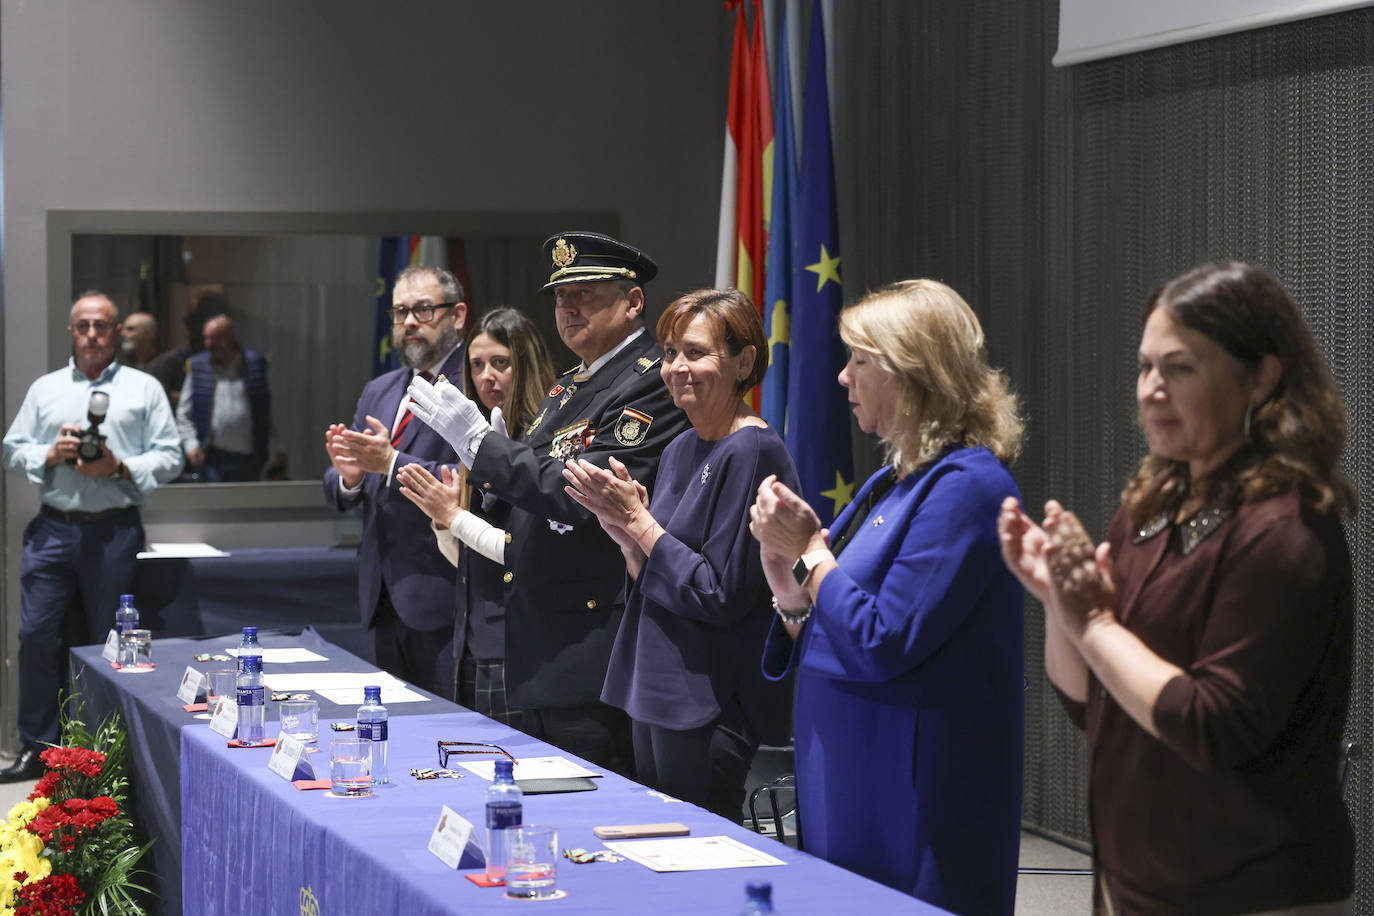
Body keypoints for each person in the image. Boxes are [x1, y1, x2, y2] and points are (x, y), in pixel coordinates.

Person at [999, 262, 1355, 914]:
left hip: (1252, 893)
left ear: (1262, 377)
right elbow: (1093, 706)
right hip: (1135, 883)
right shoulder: (1150, 507)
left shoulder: (1286, 528)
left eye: (1180, 368)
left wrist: (1097, 623)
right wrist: (1058, 601)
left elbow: (1210, 725)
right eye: (1144, 367)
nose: (1152, 390)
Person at [749, 279, 1025, 912]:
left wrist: (813, 555)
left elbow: (882, 640)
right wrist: (785, 580)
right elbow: (836, 626)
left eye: (859, 360)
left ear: (913, 373)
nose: (843, 378)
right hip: (855, 785)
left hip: (915, 807)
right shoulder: (892, 482)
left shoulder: (968, 486)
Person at [406, 231, 690, 775]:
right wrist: (487, 473)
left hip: (591, 645)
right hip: (541, 643)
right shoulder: (567, 390)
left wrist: (484, 451)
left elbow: (584, 495)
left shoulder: (650, 383)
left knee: (595, 820)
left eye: (586, 292)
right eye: (561, 296)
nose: (568, 305)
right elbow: (526, 494)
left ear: (633, 303)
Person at [560, 288, 798, 819]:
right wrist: (625, 534)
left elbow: (719, 593)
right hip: (654, 685)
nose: (675, 368)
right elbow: (659, 570)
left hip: (706, 699)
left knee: (700, 861)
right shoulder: (679, 447)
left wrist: (640, 523)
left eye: (695, 352)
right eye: (669, 353)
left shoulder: (754, 449)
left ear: (744, 361)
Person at [1, 291, 183, 782]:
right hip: (53, 529)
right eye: (83, 326)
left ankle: (104, 754)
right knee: (35, 636)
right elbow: (10, 451)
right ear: (71, 332)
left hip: (114, 531)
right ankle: (36, 751)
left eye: (102, 325)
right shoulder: (45, 390)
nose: (92, 335)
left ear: (117, 330)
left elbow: (172, 456)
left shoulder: (144, 389)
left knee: (113, 642)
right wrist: (49, 454)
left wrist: (119, 465)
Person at [397, 307, 556, 723]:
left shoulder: (542, 442)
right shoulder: (476, 434)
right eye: (477, 364)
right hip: (471, 639)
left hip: (518, 643)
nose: (487, 376)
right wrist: (442, 521)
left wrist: (453, 517)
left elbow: (520, 552)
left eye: (501, 363)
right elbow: (466, 561)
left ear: (526, 364)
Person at [322, 265, 468, 699]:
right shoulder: (380, 389)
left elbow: (465, 477)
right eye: (400, 312)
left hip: (444, 591)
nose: (408, 323)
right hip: (383, 593)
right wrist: (348, 478)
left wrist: (390, 462)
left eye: (423, 310)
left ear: (457, 315)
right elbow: (341, 477)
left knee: (446, 730)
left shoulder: (476, 383)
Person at [176, 315, 274, 482]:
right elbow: (184, 413)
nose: (208, 344)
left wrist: (278, 448)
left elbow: (268, 411)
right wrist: (191, 444)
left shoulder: (254, 364)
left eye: (214, 338)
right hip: (214, 459)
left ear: (230, 337)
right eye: (206, 338)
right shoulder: (198, 367)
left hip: (249, 458)